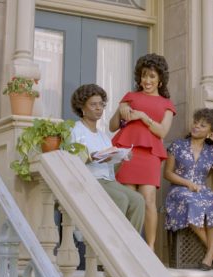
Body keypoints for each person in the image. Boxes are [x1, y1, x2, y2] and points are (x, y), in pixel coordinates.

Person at [109, 53, 176, 251]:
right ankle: (127, 246)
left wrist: (143, 117)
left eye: (152, 76)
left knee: (148, 200)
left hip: (150, 155)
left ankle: (149, 248)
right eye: (144, 75)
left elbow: (162, 131)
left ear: (160, 80)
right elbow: (113, 126)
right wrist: (120, 111)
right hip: (127, 152)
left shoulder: (167, 104)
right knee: (129, 200)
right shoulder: (130, 97)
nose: (147, 80)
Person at [164, 108, 213, 271]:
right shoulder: (178, 145)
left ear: (210, 131)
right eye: (196, 122)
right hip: (179, 190)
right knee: (192, 203)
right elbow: (167, 174)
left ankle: (209, 255)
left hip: (201, 191)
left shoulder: (212, 151)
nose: (196, 126)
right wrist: (187, 183)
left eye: (202, 125)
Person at [70, 83, 145, 234]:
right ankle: (114, 243)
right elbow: (71, 162)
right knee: (121, 199)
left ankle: (131, 243)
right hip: (89, 180)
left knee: (138, 200)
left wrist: (120, 158)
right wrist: (91, 157)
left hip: (108, 181)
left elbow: (111, 170)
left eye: (101, 104)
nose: (99, 108)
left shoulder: (103, 136)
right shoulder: (75, 130)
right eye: (93, 104)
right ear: (82, 108)